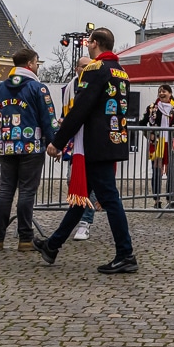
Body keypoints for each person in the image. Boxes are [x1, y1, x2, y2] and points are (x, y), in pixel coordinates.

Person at [34, 28, 137, 274]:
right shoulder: (121, 72)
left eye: (89, 41)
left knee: (110, 199)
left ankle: (126, 254)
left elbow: (79, 110)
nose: (87, 44)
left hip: (96, 144)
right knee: (81, 200)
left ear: (96, 44)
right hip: (112, 139)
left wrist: (58, 142)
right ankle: (53, 244)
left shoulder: (95, 70)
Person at [0, 48, 57, 251]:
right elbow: (48, 119)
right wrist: (55, 142)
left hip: (6, 145)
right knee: (27, 191)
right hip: (31, 146)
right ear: (29, 64)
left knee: (5, 191)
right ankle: (25, 238)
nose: (37, 66)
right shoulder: (38, 88)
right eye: (37, 62)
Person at [60, 56, 98, 241]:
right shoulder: (67, 89)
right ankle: (72, 223)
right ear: (76, 68)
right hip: (74, 143)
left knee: (91, 184)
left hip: (91, 142)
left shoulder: (96, 85)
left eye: (89, 67)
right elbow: (65, 115)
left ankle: (85, 223)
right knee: (72, 180)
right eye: (84, 66)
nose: (86, 69)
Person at [139, 84, 174, 207]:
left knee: (172, 172)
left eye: (164, 91)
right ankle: (156, 200)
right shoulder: (152, 108)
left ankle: (170, 199)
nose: (161, 93)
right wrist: (149, 134)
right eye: (160, 91)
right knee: (156, 172)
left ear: (170, 93)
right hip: (157, 145)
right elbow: (141, 123)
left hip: (172, 145)